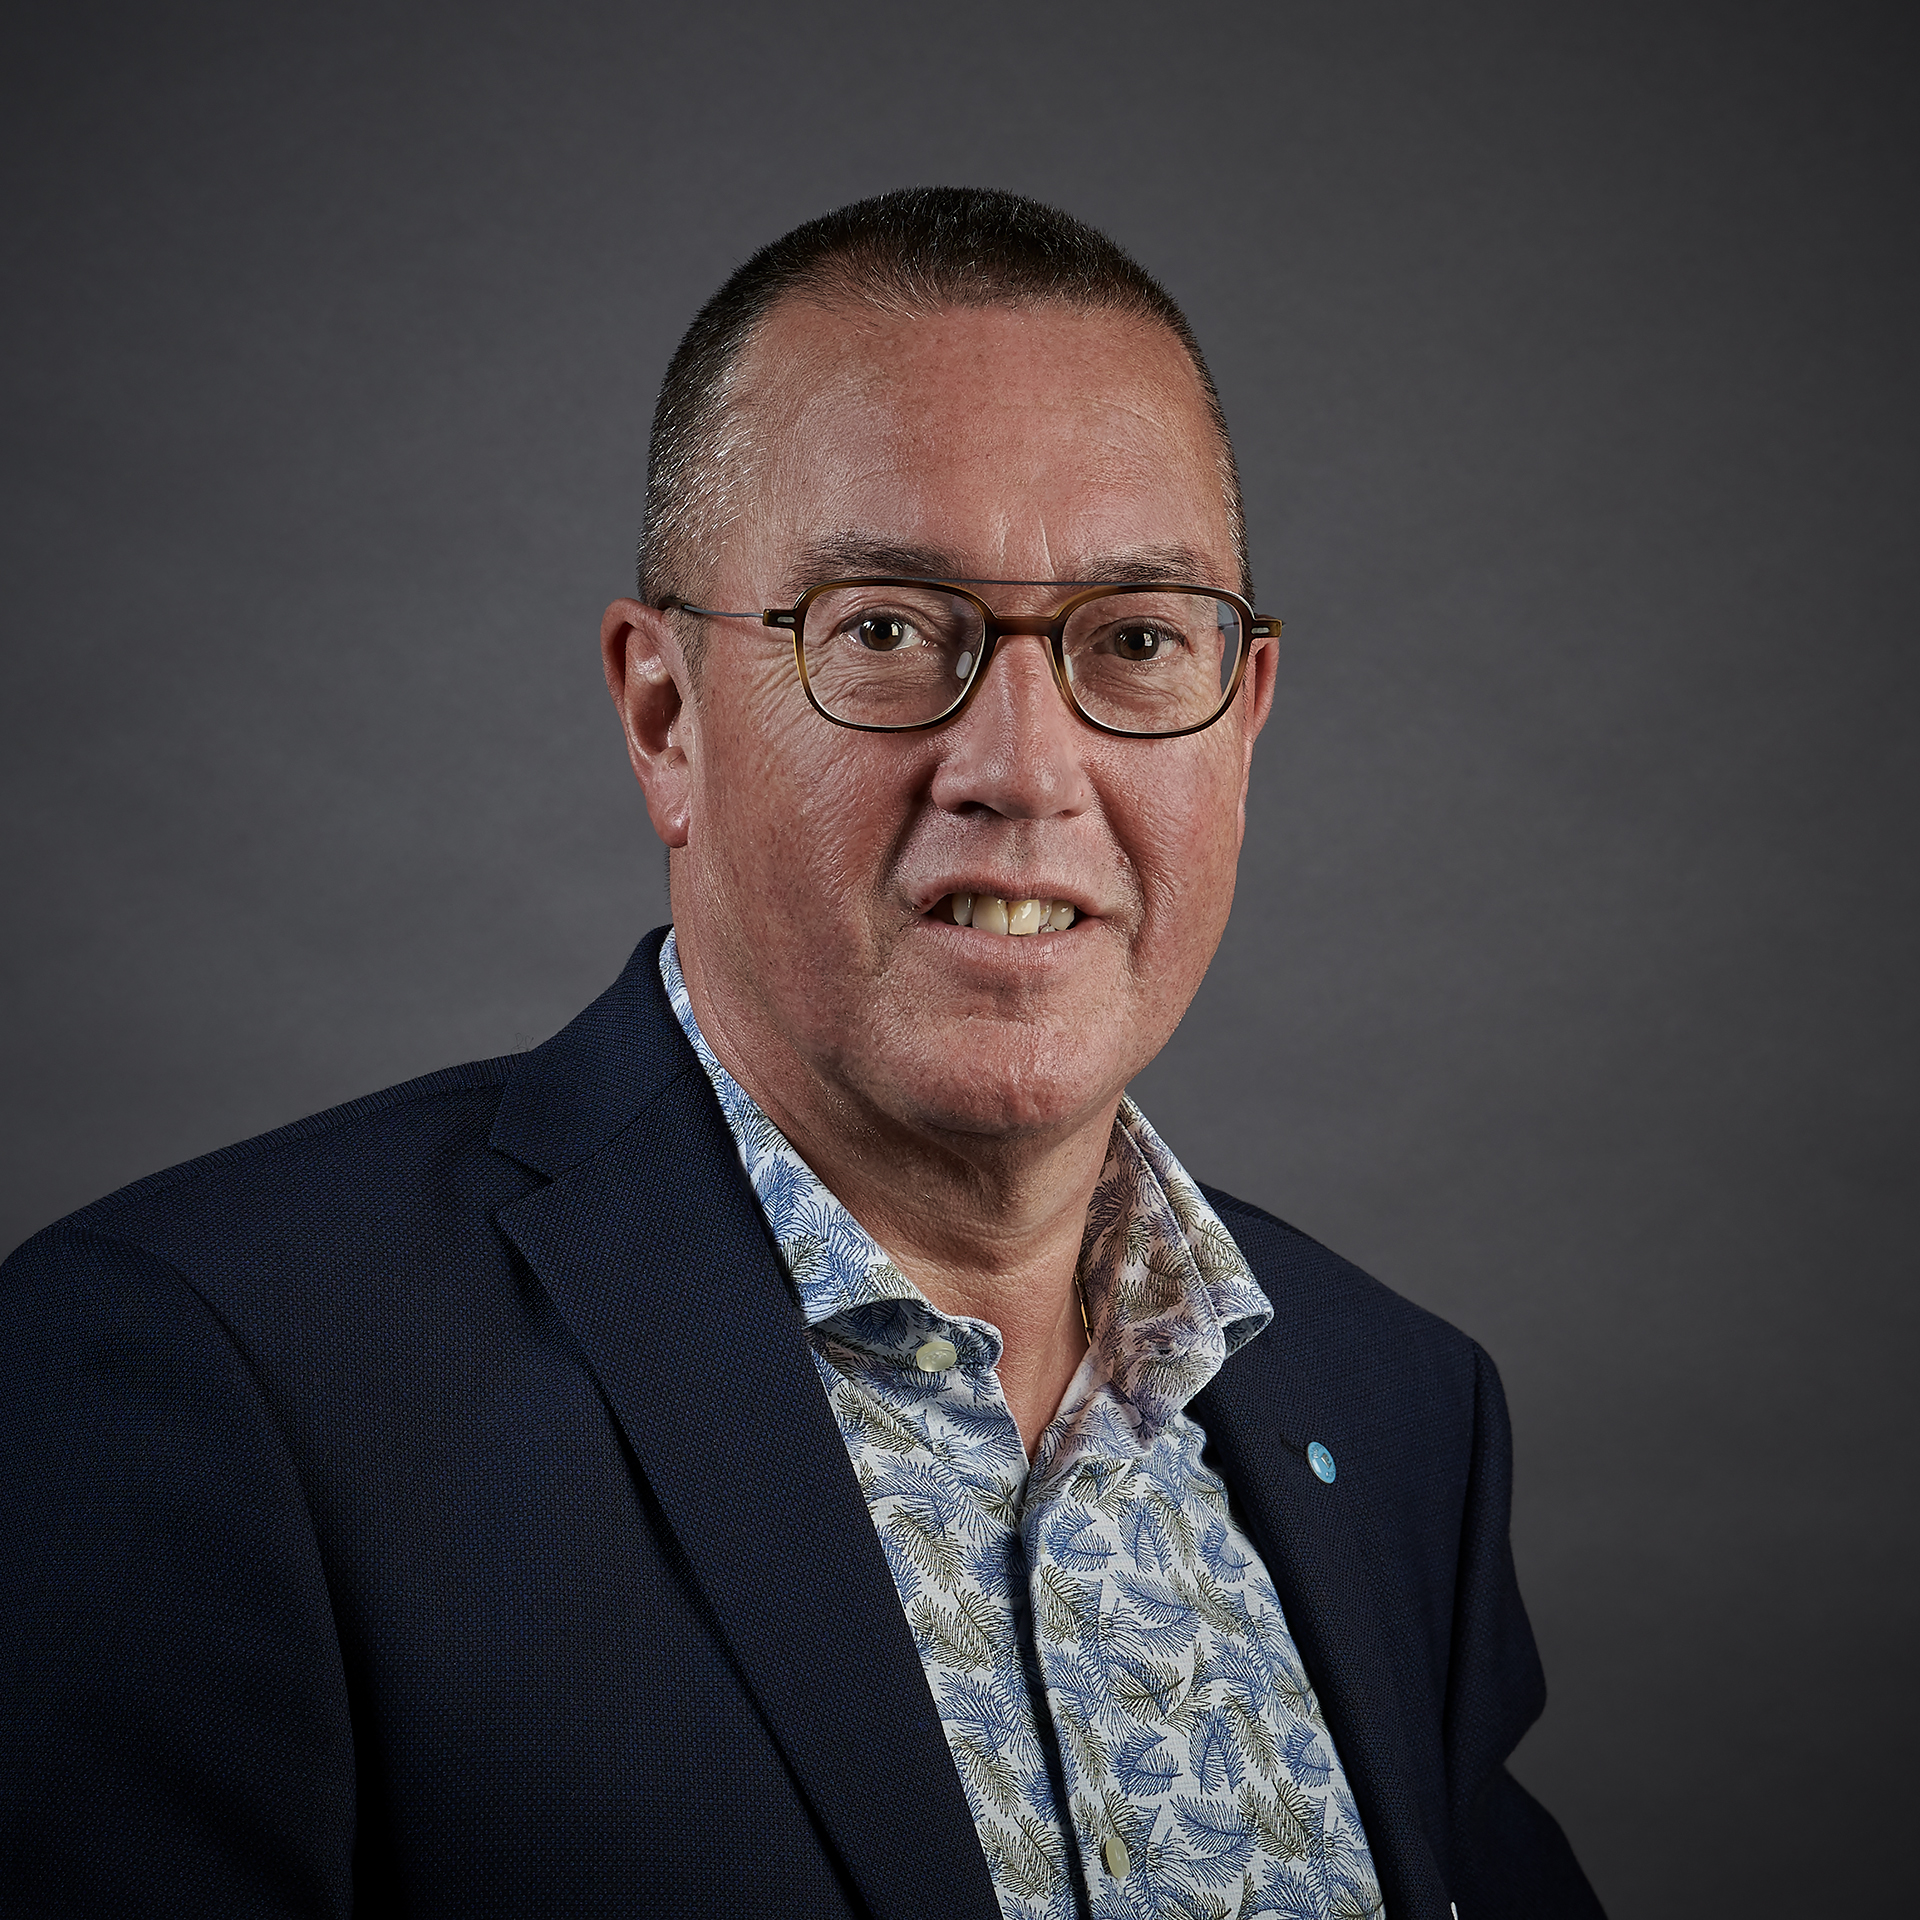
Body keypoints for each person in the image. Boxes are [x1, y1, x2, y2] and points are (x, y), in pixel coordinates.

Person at [0, 188, 1602, 1919]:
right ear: (664, 716)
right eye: (887, 631)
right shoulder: (211, 1382)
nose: (1024, 770)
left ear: (1246, 716)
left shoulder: (1398, 1413)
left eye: (1137, 643)